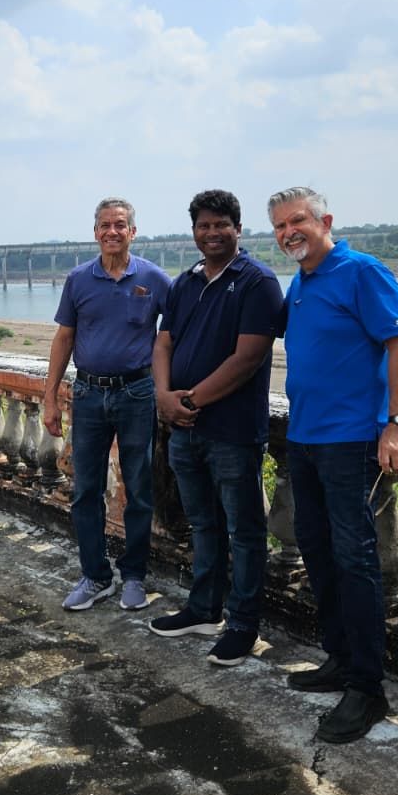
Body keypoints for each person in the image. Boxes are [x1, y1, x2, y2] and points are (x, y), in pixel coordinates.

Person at [269, 186, 398, 744]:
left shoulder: (362, 271)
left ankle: (366, 687)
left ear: (325, 220)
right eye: (280, 226)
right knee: (316, 550)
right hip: (304, 437)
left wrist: (397, 424)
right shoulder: (301, 282)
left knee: (355, 561)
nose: (289, 233)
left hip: (351, 440)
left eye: (297, 221)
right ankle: (339, 657)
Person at [148, 189, 284, 667]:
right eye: (203, 226)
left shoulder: (257, 282)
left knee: (244, 531)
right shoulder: (184, 283)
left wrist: (189, 401)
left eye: (221, 225)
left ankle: (243, 624)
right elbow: (163, 343)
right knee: (202, 523)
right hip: (185, 430)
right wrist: (163, 396)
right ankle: (204, 609)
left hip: (232, 430)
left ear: (238, 229)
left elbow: (248, 358)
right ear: (193, 232)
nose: (212, 233)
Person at [43, 198, 173, 611]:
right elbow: (64, 338)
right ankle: (96, 575)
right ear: (95, 232)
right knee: (86, 489)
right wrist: (50, 396)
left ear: (133, 231)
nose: (112, 231)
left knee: (139, 488)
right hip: (88, 393)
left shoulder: (154, 279)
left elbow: (173, 337)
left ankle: (134, 576)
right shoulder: (79, 279)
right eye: (105, 225)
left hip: (137, 393)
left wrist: (170, 390)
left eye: (120, 225)